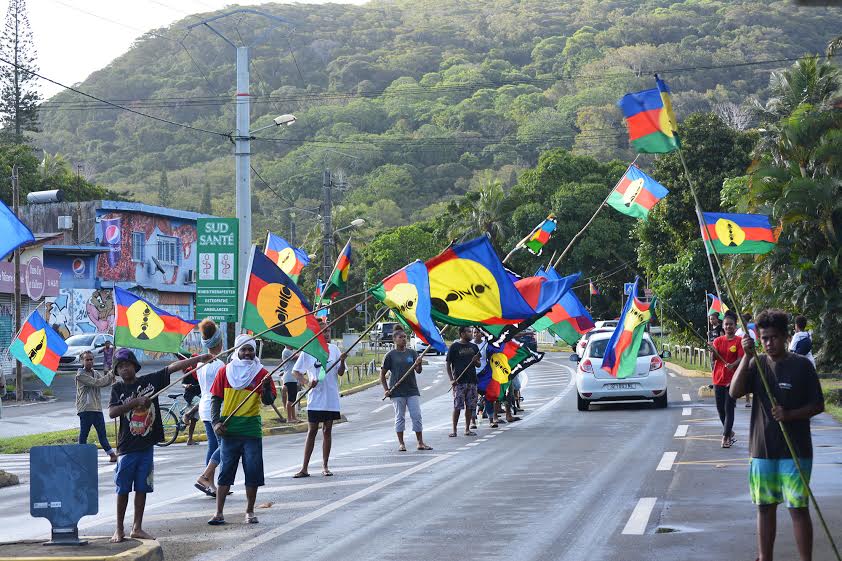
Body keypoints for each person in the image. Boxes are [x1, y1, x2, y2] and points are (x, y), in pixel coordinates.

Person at [730, 309, 824, 561]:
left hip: (796, 450)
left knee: (798, 508)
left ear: (785, 337)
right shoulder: (757, 364)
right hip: (762, 450)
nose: (768, 343)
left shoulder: (802, 365)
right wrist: (746, 357)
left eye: (773, 338)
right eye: (763, 339)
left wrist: (790, 414)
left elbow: (818, 405)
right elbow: (734, 392)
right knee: (764, 507)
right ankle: (765, 557)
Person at [108, 348, 209, 542]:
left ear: (135, 366)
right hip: (127, 447)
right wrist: (136, 402)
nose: (124, 369)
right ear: (116, 371)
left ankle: (137, 527)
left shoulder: (149, 381)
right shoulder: (117, 389)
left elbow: (171, 368)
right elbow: (112, 413)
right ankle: (119, 528)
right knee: (122, 489)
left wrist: (200, 358)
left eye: (127, 365)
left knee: (143, 487)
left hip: (147, 446)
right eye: (120, 367)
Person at [207, 335, 276, 526]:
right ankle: (219, 513)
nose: (247, 353)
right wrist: (215, 423)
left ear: (255, 351)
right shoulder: (225, 372)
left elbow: (268, 401)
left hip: (251, 431)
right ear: (237, 350)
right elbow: (215, 399)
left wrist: (267, 387)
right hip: (229, 431)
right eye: (243, 349)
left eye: (250, 349)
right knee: (225, 473)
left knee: (252, 472)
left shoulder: (262, 373)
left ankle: (250, 511)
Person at [293, 336, 347, 478]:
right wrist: (306, 382)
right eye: (323, 331)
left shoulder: (334, 350)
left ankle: (325, 466)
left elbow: (340, 372)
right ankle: (304, 468)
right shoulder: (309, 350)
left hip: (331, 398)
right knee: (312, 431)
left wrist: (342, 360)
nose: (327, 334)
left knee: (327, 430)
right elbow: (296, 371)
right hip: (315, 398)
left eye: (328, 330)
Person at [381, 327, 431, 452]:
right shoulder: (390, 355)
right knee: (400, 417)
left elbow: (418, 371)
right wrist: (386, 389)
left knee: (416, 415)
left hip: (412, 390)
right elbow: (382, 375)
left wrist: (418, 363)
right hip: (396, 391)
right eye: (400, 337)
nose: (404, 339)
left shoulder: (412, 353)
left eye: (405, 337)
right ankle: (401, 443)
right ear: (394, 340)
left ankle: (420, 442)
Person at [193, 319, 226, 498]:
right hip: (216, 409)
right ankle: (206, 477)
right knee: (224, 446)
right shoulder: (220, 366)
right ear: (219, 343)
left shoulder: (200, 364)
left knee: (213, 446)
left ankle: (210, 485)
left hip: (204, 408)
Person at [75, 350, 117, 462]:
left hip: (97, 408)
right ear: (82, 361)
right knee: (84, 435)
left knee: (102, 434)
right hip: (85, 409)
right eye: (87, 359)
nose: (89, 361)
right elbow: (98, 383)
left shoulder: (95, 372)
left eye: (91, 359)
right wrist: (111, 373)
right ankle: (80, 455)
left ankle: (112, 455)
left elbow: (104, 382)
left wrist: (112, 378)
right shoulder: (81, 375)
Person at [711, 311, 743, 448]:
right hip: (718, 378)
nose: (728, 326)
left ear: (735, 326)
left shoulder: (739, 341)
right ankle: (729, 431)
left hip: (733, 380)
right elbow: (714, 359)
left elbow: (741, 358)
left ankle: (725, 437)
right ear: (723, 326)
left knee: (729, 408)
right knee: (720, 409)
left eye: (731, 324)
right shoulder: (718, 341)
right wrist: (712, 350)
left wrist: (733, 365)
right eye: (726, 324)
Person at [447, 326, 480, 438]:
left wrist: (476, 361)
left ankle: (467, 429)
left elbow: (478, 364)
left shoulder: (474, 347)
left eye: (471, 331)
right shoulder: (454, 346)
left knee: (470, 406)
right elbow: (448, 364)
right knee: (457, 406)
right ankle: (454, 430)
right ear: (462, 334)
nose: (471, 334)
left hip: (472, 380)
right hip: (459, 381)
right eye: (468, 332)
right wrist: (451, 379)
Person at [181, 356, 201, 446]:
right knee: (201, 402)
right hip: (190, 395)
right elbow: (182, 384)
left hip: (199, 395)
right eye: (193, 361)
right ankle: (187, 415)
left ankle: (190, 439)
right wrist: (186, 386)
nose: (195, 363)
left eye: (196, 361)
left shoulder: (201, 370)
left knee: (194, 419)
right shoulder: (188, 371)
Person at [281, 345, 300, 423]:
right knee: (291, 399)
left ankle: (293, 417)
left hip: (292, 378)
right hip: (290, 377)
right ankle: (289, 418)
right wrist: (304, 352)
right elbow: (296, 357)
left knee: (293, 399)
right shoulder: (286, 351)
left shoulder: (290, 351)